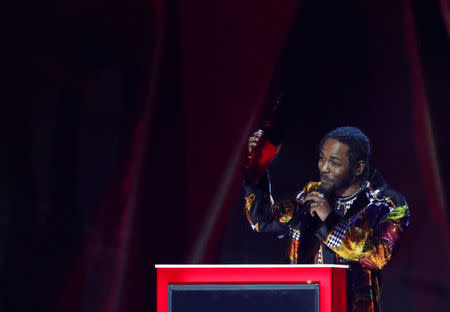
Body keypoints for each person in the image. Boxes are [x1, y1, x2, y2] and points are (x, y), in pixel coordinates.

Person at [243, 126, 410, 312]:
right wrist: (258, 166)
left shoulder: (387, 203)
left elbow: (378, 256)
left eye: (334, 163)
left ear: (358, 167)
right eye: (322, 158)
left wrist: (330, 221)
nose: (323, 168)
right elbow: (263, 221)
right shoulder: (311, 192)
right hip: (304, 304)